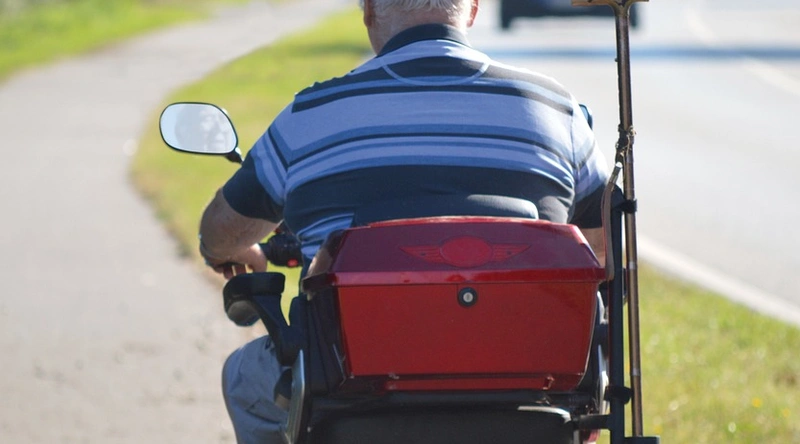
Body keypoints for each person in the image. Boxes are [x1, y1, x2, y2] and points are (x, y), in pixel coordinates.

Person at [196, 0, 609, 442]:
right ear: (472, 10)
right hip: (535, 389)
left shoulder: (311, 114)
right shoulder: (556, 109)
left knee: (245, 377)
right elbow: (606, 246)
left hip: (349, 392)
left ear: (370, 11)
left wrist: (235, 250)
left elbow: (219, 231)